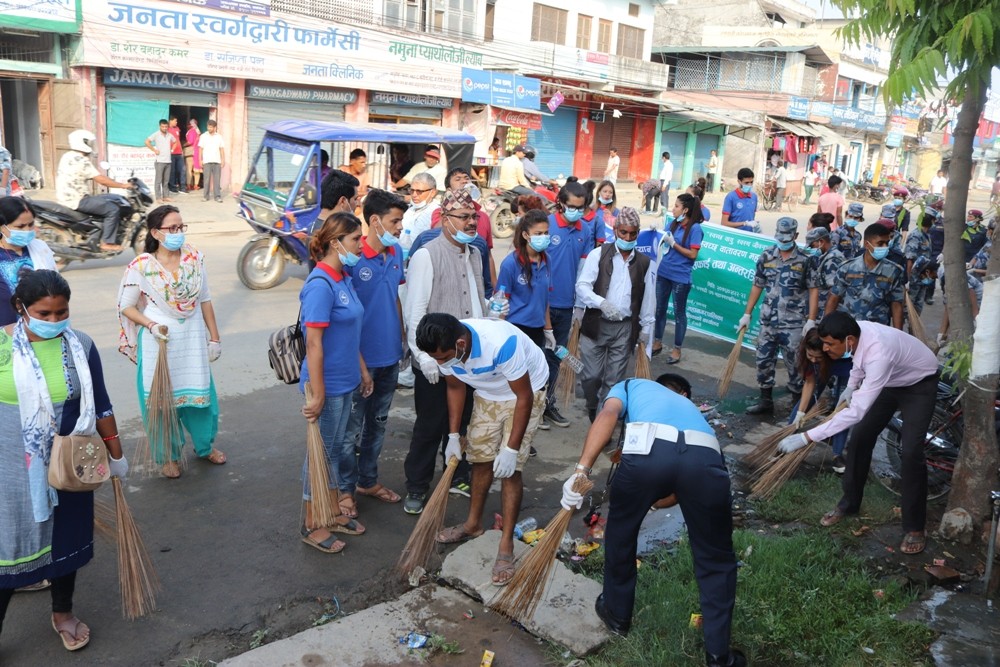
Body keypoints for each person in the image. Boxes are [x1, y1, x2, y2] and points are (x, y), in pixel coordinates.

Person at [560, 373, 744, 667]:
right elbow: (683, 480)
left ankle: (617, 615)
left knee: (621, 533)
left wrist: (581, 470)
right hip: (705, 455)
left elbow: (607, 414)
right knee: (716, 559)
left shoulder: (630, 384)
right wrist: (656, 495)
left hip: (647, 450)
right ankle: (719, 656)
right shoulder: (691, 410)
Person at [0, 269, 128, 652]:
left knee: (66, 539)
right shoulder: (3, 349)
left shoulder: (81, 345)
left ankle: (63, 613)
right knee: (9, 547)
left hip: (71, 462)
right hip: (11, 469)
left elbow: (101, 404)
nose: (55, 321)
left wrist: (117, 457)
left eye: (61, 313)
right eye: (44, 313)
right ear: (20, 308)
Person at [778, 311, 939, 555]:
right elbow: (858, 362)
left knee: (910, 452)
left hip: (919, 382)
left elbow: (856, 413)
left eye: (830, 344)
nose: (826, 349)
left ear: (848, 340)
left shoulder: (879, 354)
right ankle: (849, 504)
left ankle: (915, 527)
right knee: (860, 439)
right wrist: (851, 387)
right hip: (891, 379)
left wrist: (807, 437)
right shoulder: (856, 331)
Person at [417, 314, 548, 586]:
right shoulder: (444, 350)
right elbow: (454, 385)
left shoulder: (501, 344)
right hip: (487, 393)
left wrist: (511, 449)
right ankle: (473, 525)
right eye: (435, 359)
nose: (440, 363)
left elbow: (524, 397)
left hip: (524, 392)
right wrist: (454, 435)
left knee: (510, 470)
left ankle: (506, 543)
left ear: (462, 343)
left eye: (443, 358)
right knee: (480, 460)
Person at [117, 205, 225, 479]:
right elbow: (127, 307)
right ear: (155, 232)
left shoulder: (194, 258)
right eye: (172, 228)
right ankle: (168, 456)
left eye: (181, 227)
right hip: (159, 341)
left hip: (191, 338)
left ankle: (204, 447)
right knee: (161, 402)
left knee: (199, 397)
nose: (178, 233)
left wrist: (214, 337)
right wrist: (151, 325)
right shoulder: (141, 266)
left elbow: (205, 299)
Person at [402, 188, 488, 514]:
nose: (471, 223)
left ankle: (456, 474)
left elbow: (478, 301)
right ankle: (417, 485)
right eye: (464, 217)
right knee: (430, 424)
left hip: (468, 359)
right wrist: (423, 358)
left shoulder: (475, 253)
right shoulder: (427, 254)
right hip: (434, 361)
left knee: (463, 422)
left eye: (474, 217)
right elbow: (415, 314)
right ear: (445, 219)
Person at [296, 212, 369, 552]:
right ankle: (312, 522)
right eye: (356, 239)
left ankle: (330, 512)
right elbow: (314, 344)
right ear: (337, 243)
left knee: (337, 450)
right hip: (327, 385)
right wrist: (319, 392)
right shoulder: (320, 284)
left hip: (346, 381)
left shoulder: (343, 278)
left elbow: (350, 333)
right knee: (321, 454)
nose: (361, 245)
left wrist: (363, 371)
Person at [341, 190, 408, 511]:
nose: (400, 228)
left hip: (389, 356)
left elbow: (393, 296)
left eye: (401, 221)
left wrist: (403, 338)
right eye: (395, 221)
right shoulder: (352, 258)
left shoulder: (395, 253)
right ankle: (343, 492)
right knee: (350, 431)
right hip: (359, 362)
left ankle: (367, 481)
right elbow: (343, 319)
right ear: (374, 221)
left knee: (378, 424)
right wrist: (361, 365)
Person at [576, 207, 655, 422]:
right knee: (591, 376)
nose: (628, 238)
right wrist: (601, 303)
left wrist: (645, 331)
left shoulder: (646, 263)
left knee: (614, 380)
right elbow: (582, 286)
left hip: (625, 328)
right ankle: (592, 404)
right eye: (623, 233)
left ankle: (604, 418)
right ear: (615, 230)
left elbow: (648, 301)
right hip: (596, 324)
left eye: (633, 234)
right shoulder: (598, 254)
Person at [740, 217, 819, 414]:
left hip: (793, 324)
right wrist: (747, 314)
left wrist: (811, 319)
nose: (783, 240)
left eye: (787, 237)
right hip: (768, 321)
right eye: (780, 236)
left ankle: (796, 406)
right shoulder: (766, 256)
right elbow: (757, 284)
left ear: (795, 236)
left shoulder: (805, 260)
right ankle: (765, 401)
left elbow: (814, 290)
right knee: (763, 360)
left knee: (796, 364)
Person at [541, 179, 602, 429]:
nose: (576, 211)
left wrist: (580, 305)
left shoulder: (584, 231)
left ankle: (547, 404)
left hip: (567, 307)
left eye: (581, 207)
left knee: (557, 356)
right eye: (572, 206)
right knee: (536, 356)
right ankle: (532, 406)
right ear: (560, 204)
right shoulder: (544, 226)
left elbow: (584, 271)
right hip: (541, 305)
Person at [56, 130, 133, 252]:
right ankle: (106, 242)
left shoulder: (67, 156)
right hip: (78, 200)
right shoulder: (81, 160)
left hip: (66, 197)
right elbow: (101, 180)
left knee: (104, 199)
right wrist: (123, 185)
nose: (91, 146)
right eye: (89, 142)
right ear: (82, 143)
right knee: (113, 209)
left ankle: (97, 232)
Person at [789, 328, 852, 473]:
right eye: (810, 355)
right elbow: (810, 383)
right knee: (807, 400)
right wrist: (800, 413)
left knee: (842, 409)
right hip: (824, 369)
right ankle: (787, 437)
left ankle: (837, 454)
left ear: (827, 351)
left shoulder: (844, 356)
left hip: (847, 373)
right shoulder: (806, 357)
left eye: (818, 357)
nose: (813, 360)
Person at [652, 193, 704, 363]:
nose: (673, 209)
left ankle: (676, 349)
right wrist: (655, 233)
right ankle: (657, 342)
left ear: (685, 209)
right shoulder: (673, 224)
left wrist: (674, 244)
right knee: (659, 309)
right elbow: (661, 240)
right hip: (664, 272)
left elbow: (693, 254)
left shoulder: (695, 229)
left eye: (676, 206)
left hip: (680, 277)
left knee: (679, 313)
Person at [496, 209, 554, 354]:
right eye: (538, 234)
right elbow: (500, 302)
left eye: (546, 233)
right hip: (515, 328)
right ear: (525, 235)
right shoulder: (510, 264)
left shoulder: (547, 260)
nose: (544, 237)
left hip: (537, 329)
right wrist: (498, 334)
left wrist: (548, 329)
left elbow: (545, 299)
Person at [826, 224, 905, 329]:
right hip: (849, 328)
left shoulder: (894, 271)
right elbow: (834, 298)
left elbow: (896, 305)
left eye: (887, 243)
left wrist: (897, 335)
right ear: (867, 245)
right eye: (880, 243)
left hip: (878, 329)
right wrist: (826, 328)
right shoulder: (847, 268)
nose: (885, 247)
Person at [430, 167, 496, 285]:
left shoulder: (483, 217)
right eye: (458, 179)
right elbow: (435, 233)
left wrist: (493, 285)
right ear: (449, 189)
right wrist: (449, 211)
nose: (464, 181)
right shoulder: (439, 213)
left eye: (467, 179)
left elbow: (488, 255)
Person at [0, 197, 57, 326]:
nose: (27, 231)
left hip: (43, 330)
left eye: (30, 224)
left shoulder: (40, 248)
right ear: (2, 227)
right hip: (5, 335)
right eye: (20, 226)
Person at [805, 227, 845, 320]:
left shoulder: (832, 260)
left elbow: (833, 292)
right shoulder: (827, 256)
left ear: (821, 242)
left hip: (826, 313)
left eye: (812, 245)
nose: (811, 249)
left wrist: (826, 318)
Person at [315, 169, 360, 235]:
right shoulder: (339, 237)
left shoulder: (309, 230)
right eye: (355, 199)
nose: (358, 204)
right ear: (343, 201)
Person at [903, 214, 933, 311]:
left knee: (918, 304)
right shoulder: (916, 236)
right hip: (913, 277)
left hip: (922, 276)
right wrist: (907, 279)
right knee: (909, 305)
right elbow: (909, 258)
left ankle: (914, 326)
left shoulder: (926, 235)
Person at [400, 173, 439, 242]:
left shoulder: (436, 212)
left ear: (432, 192)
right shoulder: (408, 209)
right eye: (412, 191)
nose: (414, 195)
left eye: (419, 191)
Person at [144, 119, 176, 202]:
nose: (164, 128)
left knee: (166, 181)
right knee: (158, 180)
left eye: (166, 126)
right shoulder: (156, 134)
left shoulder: (170, 135)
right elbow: (147, 142)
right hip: (159, 161)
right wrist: (154, 150)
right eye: (163, 126)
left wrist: (172, 150)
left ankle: (166, 196)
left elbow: (176, 142)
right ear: (160, 126)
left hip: (168, 161)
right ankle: (158, 198)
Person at [199, 120, 225, 203]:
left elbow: (221, 149)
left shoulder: (219, 137)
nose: (209, 128)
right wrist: (200, 159)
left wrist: (223, 160)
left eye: (211, 127)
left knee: (217, 180)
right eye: (208, 127)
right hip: (207, 161)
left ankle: (217, 196)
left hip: (217, 161)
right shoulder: (203, 136)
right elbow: (200, 149)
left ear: (214, 127)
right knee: (206, 180)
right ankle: (205, 196)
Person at [167, 116, 186, 195]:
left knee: (182, 170)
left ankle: (183, 188)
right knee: (172, 171)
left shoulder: (177, 129)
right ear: (170, 121)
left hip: (179, 153)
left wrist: (181, 150)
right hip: (171, 153)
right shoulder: (167, 130)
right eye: (175, 121)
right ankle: (172, 187)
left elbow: (178, 140)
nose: (176, 122)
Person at [185, 119, 201, 192]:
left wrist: (183, 145)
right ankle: (196, 185)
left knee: (189, 169)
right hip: (198, 152)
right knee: (196, 169)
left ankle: (189, 185)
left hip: (191, 152)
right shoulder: (198, 132)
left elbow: (190, 142)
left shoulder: (191, 131)